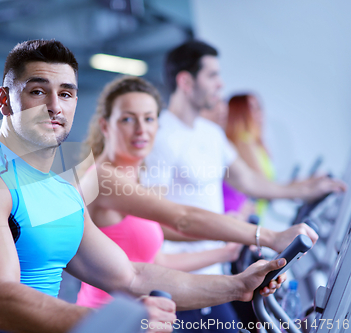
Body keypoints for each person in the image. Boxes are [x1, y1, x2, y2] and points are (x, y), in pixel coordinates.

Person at [0, 39, 295, 333]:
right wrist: (120, 322)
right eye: (38, 92)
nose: (55, 106)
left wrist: (238, 287)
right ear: (5, 101)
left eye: (67, 93)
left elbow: (131, 275)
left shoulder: (59, 187)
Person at [144, 40, 346, 332]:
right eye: (212, 75)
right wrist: (235, 233)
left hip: (215, 278)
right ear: (186, 81)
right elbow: (156, 221)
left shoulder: (211, 133)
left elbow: (249, 181)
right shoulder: (160, 136)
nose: (220, 84)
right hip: (178, 286)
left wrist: (307, 189)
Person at [75, 76, 315, 309]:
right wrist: (270, 236)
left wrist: (226, 254)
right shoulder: (103, 178)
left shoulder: (136, 180)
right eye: (128, 120)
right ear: (105, 126)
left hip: (145, 317)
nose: (141, 129)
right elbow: (183, 217)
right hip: (105, 318)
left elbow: (158, 263)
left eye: (149, 119)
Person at [226, 93, 275, 220]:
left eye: (259, 107)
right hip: (240, 215)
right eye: (252, 108)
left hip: (254, 216)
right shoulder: (243, 141)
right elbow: (261, 186)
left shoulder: (256, 145)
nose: (259, 113)